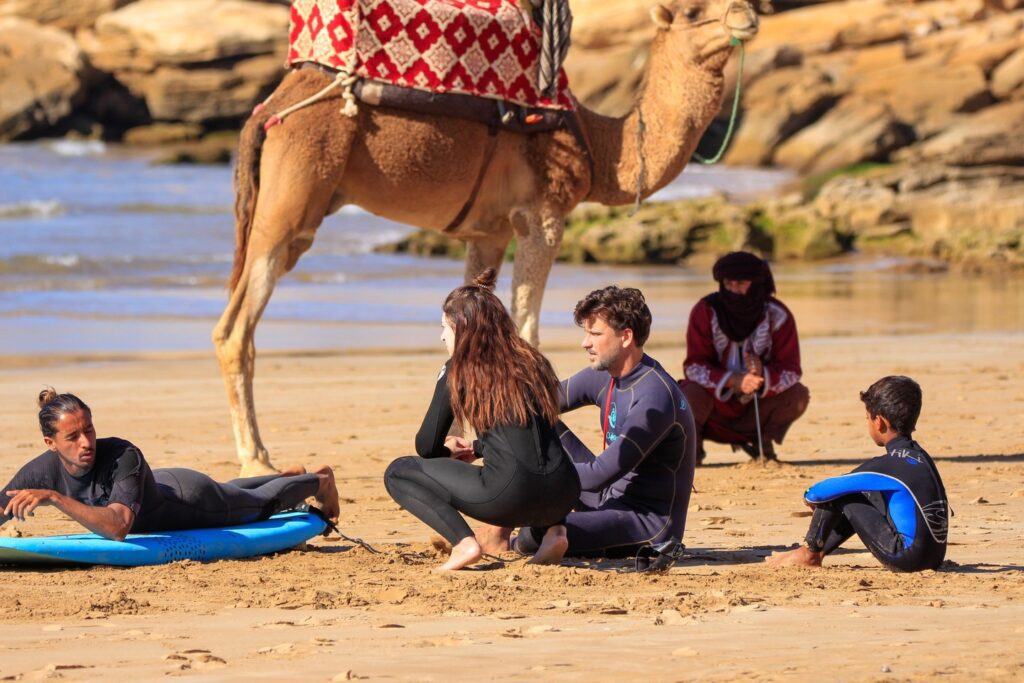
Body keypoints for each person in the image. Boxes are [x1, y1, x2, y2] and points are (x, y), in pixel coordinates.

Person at [383, 269, 581, 571]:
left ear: (462, 329)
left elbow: (425, 446)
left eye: (444, 328)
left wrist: (448, 455)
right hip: (564, 491)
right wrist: (477, 447)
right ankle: (556, 532)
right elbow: (525, 434)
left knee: (398, 471)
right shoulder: (532, 360)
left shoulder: (458, 369)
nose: (441, 336)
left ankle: (464, 543)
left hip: (510, 495)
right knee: (537, 463)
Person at [487, 285, 696, 560]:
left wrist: (536, 479)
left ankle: (514, 543)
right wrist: (479, 444)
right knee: (532, 420)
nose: (585, 343)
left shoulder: (654, 397)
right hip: (606, 499)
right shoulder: (606, 375)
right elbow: (536, 402)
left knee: (534, 532)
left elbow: (599, 476)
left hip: (645, 523)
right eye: (586, 333)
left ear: (626, 337)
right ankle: (498, 535)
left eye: (595, 334)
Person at [1, 389, 340, 540]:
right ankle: (285, 475)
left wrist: (56, 498)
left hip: (191, 501)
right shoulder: (42, 470)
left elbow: (118, 527)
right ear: (50, 443)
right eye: (73, 437)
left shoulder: (122, 454)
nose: (86, 442)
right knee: (234, 488)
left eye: (89, 430)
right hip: (156, 485)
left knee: (258, 505)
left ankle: (320, 481)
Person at [767, 376, 949, 571]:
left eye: (867, 417)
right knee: (872, 493)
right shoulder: (921, 456)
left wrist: (809, 498)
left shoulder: (888, 465)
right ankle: (814, 552)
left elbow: (818, 492)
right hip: (934, 558)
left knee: (842, 495)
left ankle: (809, 553)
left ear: (879, 422)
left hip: (907, 558)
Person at [679, 251, 809, 463]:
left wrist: (762, 375)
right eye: (728, 283)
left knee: (797, 395)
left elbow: (791, 369)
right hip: (713, 409)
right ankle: (692, 447)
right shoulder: (705, 311)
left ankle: (763, 442)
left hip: (757, 406)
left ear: (756, 284)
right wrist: (733, 380)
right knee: (686, 394)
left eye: (740, 283)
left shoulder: (778, 315)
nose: (733, 290)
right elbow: (694, 366)